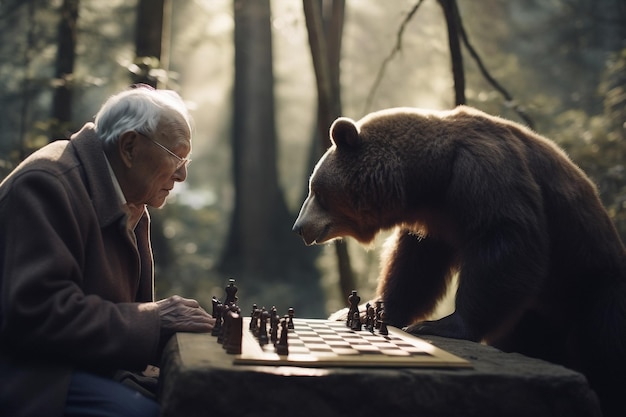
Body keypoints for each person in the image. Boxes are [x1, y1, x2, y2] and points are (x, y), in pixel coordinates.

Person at [0, 85, 215, 417]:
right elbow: (37, 314)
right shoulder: (45, 185)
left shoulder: (129, 199)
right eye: (176, 155)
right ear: (129, 147)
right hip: (32, 376)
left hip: (85, 367)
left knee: (201, 400)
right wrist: (153, 321)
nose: (182, 174)